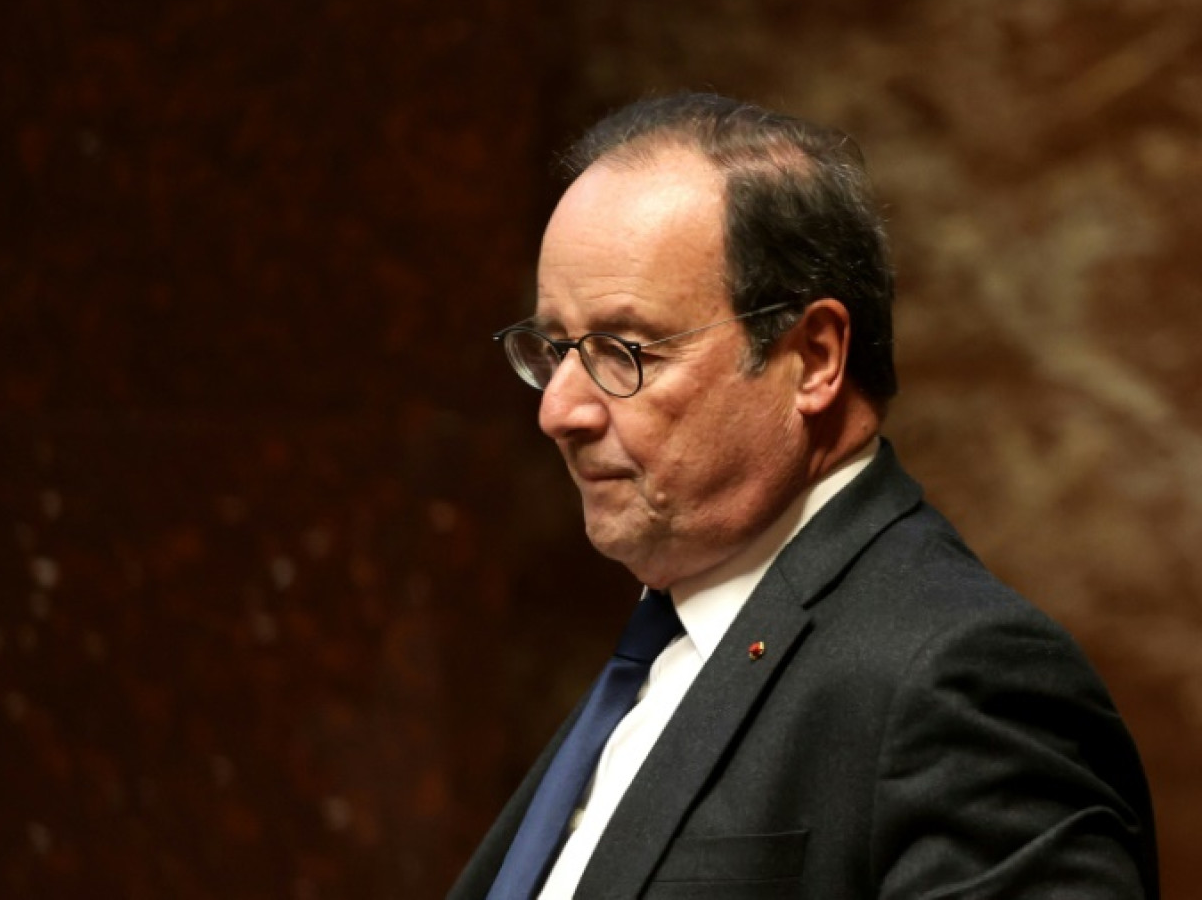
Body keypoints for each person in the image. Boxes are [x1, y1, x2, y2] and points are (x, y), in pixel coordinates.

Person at [449, 93, 1158, 899]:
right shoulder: (661, 652)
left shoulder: (959, 676)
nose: (558, 410)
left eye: (623, 349)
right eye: (552, 348)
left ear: (814, 358)